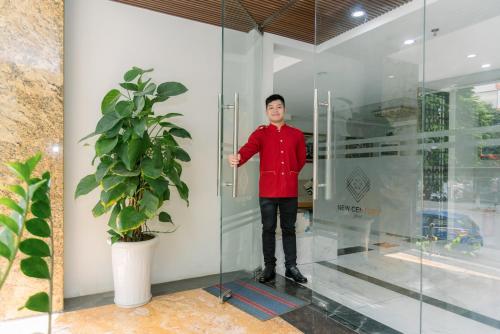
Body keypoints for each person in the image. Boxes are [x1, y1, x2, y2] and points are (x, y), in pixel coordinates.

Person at [228, 94, 307, 283]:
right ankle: (269, 267)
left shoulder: (296, 134)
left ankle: (291, 267)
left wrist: (290, 172)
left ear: (284, 109)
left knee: (289, 229)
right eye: (271, 107)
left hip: (289, 190)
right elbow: (248, 149)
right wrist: (237, 158)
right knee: (268, 229)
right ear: (266, 111)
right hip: (268, 191)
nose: (275, 110)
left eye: (278, 107)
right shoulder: (261, 133)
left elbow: (301, 159)